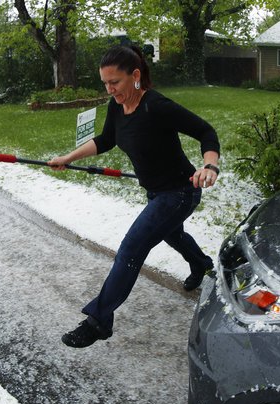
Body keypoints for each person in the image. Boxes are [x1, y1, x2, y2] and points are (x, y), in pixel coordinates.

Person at [48, 45, 221, 348]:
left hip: (180, 192)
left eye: (115, 82)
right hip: (156, 192)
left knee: (131, 248)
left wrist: (210, 166)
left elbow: (206, 132)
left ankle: (99, 320)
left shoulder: (156, 106)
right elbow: (105, 140)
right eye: (105, 83)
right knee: (171, 234)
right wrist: (69, 157)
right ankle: (201, 263)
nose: (110, 89)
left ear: (135, 76)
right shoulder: (117, 106)